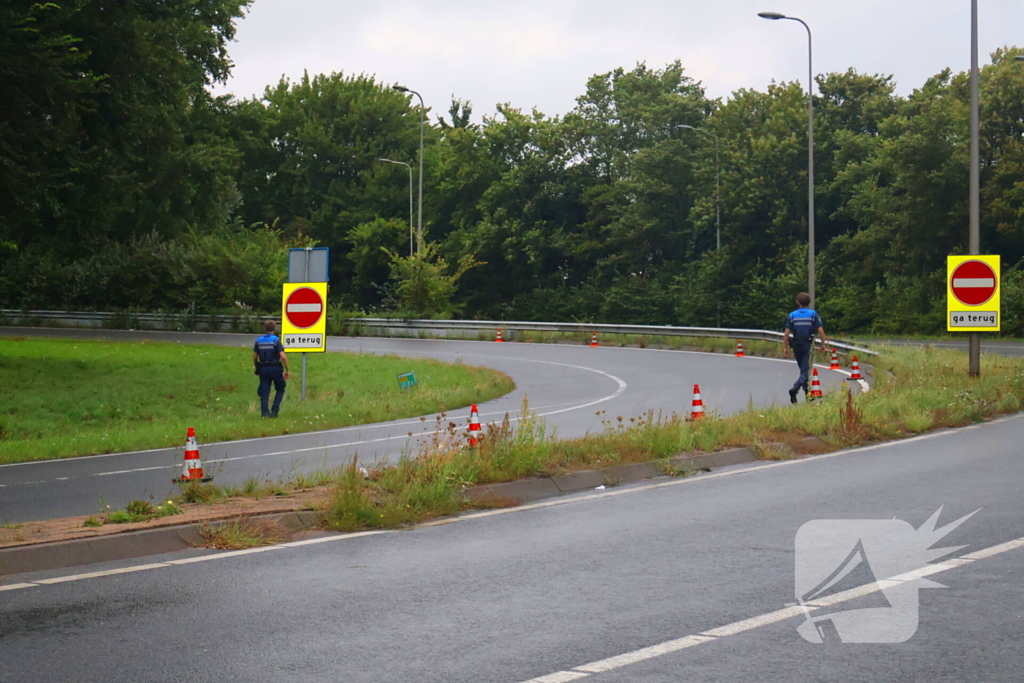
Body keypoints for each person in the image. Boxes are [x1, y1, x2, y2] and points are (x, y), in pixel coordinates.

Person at [783, 292, 827, 404]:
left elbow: (786, 333)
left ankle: (808, 395)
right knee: (805, 371)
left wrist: (785, 348)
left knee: (803, 370)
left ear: (797, 302)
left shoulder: (792, 315)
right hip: (807, 344)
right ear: (809, 302)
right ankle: (795, 388)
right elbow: (820, 330)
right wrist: (823, 344)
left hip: (796, 344)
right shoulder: (813, 314)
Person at [253, 320, 290, 418]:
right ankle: (274, 411)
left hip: (263, 368)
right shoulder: (276, 340)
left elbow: (255, 357)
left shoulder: (259, 340)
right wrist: (287, 370)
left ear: (265, 328)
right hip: (275, 368)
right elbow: (283, 357)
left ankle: (264, 414)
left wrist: (257, 368)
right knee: (280, 388)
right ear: (275, 328)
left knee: (264, 391)